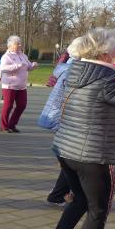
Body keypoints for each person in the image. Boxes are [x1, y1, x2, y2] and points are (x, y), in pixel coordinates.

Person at [43, 28, 115, 229]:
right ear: (103, 53)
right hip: (93, 155)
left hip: (65, 148)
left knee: (80, 199)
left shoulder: (75, 72)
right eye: (113, 49)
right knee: (98, 209)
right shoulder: (108, 80)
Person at [38, 51, 74, 207]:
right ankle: (62, 195)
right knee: (71, 162)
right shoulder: (73, 70)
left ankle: (59, 195)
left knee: (69, 162)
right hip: (68, 121)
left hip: (64, 121)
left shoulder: (68, 68)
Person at [0, 35, 37, 133]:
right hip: (10, 85)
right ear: (10, 45)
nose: (20, 45)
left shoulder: (23, 55)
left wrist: (33, 66)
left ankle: (12, 124)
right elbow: (3, 68)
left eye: (20, 44)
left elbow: (28, 67)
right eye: (17, 44)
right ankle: (4, 126)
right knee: (8, 106)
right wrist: (17, 66)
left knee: (22, 105)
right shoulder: (6, 56)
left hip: (22, 86)